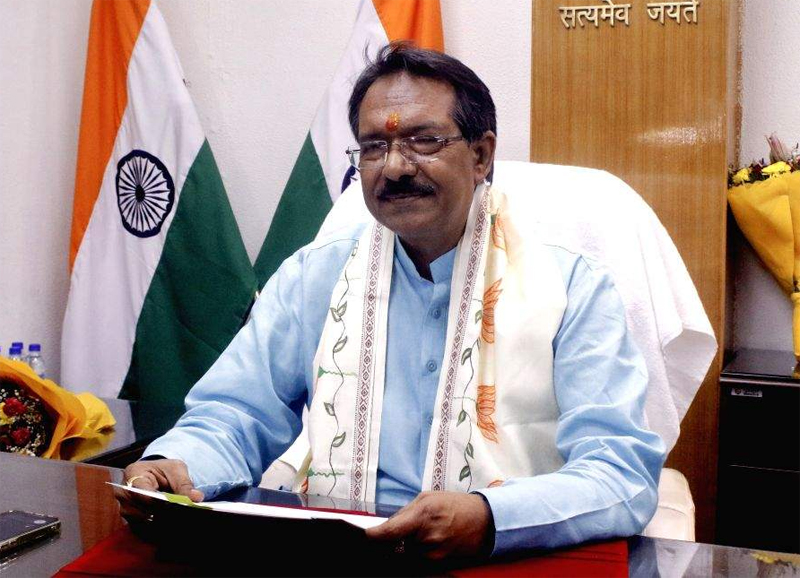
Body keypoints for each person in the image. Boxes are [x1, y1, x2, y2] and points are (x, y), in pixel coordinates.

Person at [118, 43, 665, 561]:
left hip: (501, 553)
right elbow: (236, 414)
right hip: (339, 551)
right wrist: (174, 464)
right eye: (374, 147)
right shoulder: (314, 277)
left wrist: (490, 518)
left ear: (481, 155)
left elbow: (620, 472)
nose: (395, 167)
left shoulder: (571, 287)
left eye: (424, 141)